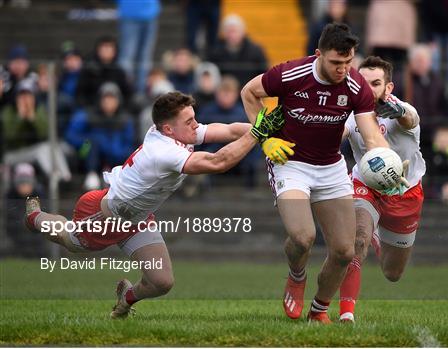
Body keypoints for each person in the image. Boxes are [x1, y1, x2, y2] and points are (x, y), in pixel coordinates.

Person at [24, 91, 284, 318]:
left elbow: (227, 130)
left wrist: (267, 130)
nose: (196, 125)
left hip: (137, 218)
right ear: (169, 129)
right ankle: (35, 217)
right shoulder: (163, 152)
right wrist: (258, 133)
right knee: (70, 241)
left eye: (194, 118)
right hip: (105, 216)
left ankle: (126, 297)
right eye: (189, 121)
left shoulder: (176, 132)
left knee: (162, 282)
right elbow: (218, 162)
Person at [241, 23, 391, 324]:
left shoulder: (356, 85)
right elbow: (249, 92)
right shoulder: (290, 74)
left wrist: (387, 162)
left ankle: (319, 310)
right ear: (318, 54)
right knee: (303, 236)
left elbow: (371, 134)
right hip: (291, 163)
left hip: (331, 167)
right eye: (336, 63)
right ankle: (297, 275)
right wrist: (266, 137)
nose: (343, 69)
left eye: (348, 62)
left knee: (344, 251)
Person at [339, 56, 426, 323]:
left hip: (405, 194)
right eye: (363, 83)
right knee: (357, 240)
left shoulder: (401, 111)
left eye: (376, 83)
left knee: (392, 272)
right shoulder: (349, 113)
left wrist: (399, 112)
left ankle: (377, 235)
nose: (368, 88)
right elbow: (337, 134)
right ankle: (346, 315)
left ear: (389, 88)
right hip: (365, 185)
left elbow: (411, 119)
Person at [65, 82, 135, 190]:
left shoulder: (125, 120)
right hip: (87, 154)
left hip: (116, 159)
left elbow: (129, 144)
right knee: (94, 141)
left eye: (112, 98)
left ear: (118, 100)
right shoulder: (87, 115)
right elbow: (71, 135)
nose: (108, 102)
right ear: (100, 100)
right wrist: (88, 141)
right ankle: (91, 174)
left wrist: (112, 151)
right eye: (105, 98)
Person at [208, 14, 268, 86]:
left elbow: (265, 74)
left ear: (243, 32)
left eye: (235, 31)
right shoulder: (215, 52)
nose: (232, 35)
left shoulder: (256, 51)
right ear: (224, 33)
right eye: (229, 31)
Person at [117, 0, 161, 94]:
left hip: (150, 13)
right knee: (127, 56)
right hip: (130, 13)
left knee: (144, 57)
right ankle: (125, 90)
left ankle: (140, 91)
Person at [76, 36, 132, 108]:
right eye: (104, 48)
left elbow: (128, 94)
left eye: (109, 48)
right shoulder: (88, 70)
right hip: (92, 110)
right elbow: (80, 94)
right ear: (98, 50)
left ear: (114, 51)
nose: (106, 51)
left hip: (117, 112)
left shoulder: (119, 71)